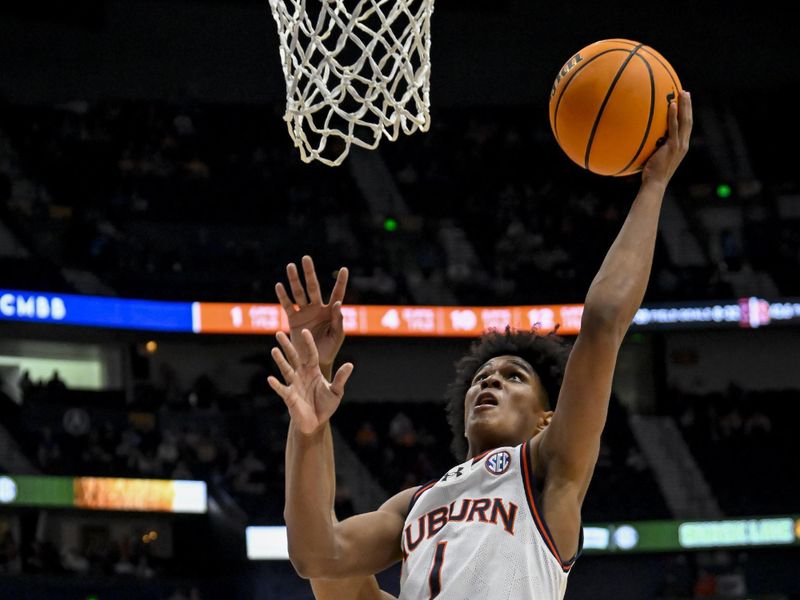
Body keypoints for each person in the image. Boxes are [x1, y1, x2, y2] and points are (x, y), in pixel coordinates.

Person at [270, 92, 692, 599]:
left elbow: (602, 323)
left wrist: (654, 184)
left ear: (547, 418)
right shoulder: (414, 505)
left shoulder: (546, 471)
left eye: (514, 375)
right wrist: (310, 431)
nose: (489, 378)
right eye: (481, 376)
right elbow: (319, 555)